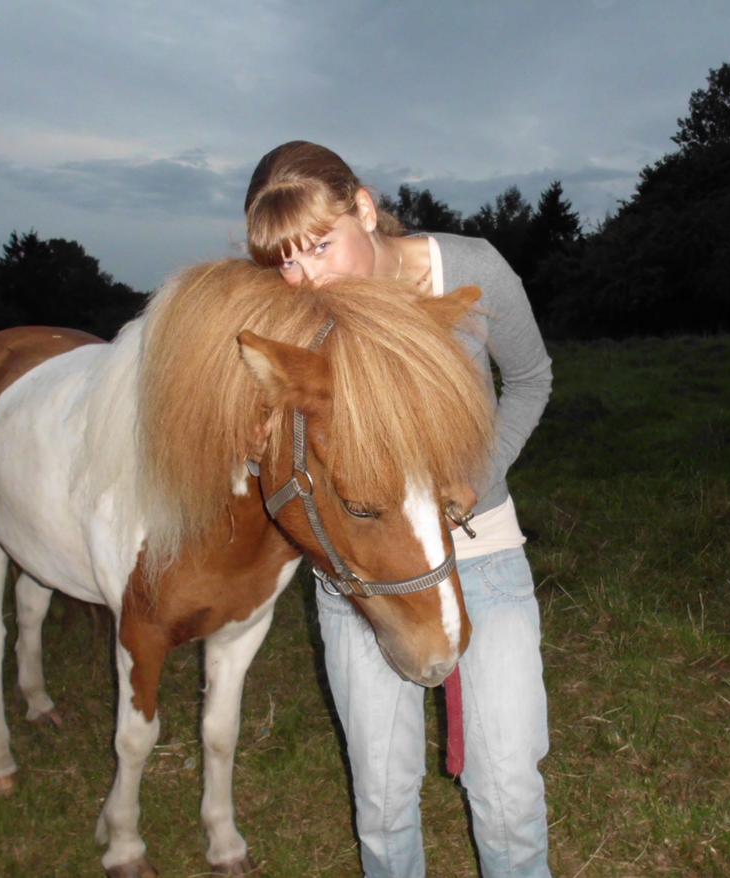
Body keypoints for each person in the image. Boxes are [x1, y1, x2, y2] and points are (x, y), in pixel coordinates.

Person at [244, 141, 553, 878]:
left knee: (507, 788)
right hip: (364, 576)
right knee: (382, 801)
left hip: (480, 550)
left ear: (365, 208)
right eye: (286, 259)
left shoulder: (470, 271)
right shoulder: (292, 311)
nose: (306, 275)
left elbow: (533, 379)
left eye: (320, 245)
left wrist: (478, 474)